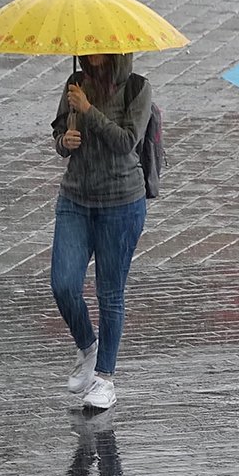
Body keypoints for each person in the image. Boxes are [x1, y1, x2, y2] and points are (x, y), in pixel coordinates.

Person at [51, 53, 150, 410]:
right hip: (75, 198)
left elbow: (126, 142)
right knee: (63, 283)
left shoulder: (138, 88)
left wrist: (90, 110)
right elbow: (59, 134)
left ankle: (105, 377)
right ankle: (87, 347)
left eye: (100, 46)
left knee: (110, 293)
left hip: (121, 203)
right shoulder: (74, 82)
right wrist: (66, 141)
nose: (92, 52)